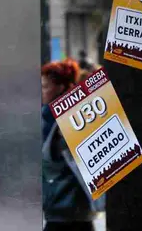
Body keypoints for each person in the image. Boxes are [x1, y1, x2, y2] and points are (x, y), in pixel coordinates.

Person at [41, 59, 103, 231]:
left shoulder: (73, 118)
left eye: (45, 86)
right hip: (62, 209)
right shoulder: (45, 117)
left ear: (61, 88)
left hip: (69, 208)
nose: (41, 91)